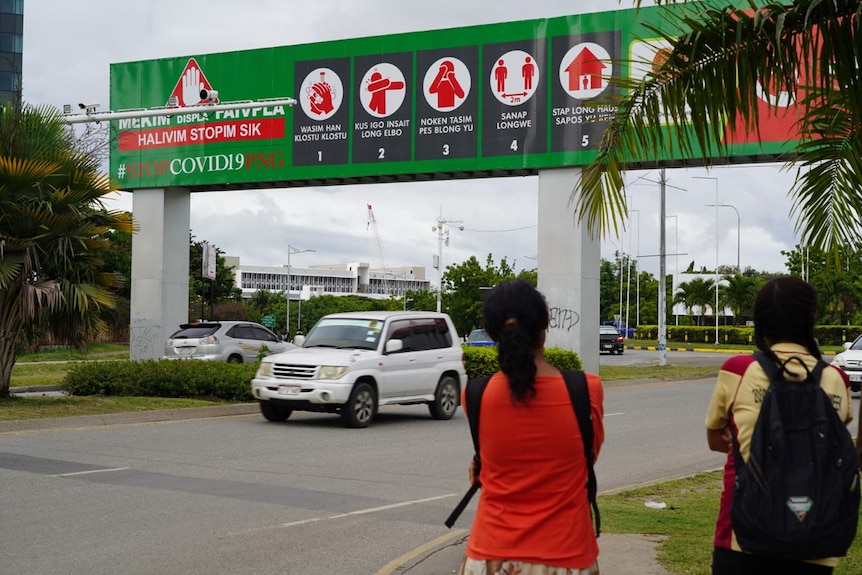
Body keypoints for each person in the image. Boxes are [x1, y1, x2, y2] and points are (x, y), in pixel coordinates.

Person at [705, 277, 853, 574]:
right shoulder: (836, 379)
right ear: (812, 318)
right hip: (816, 540)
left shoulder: (738, 371)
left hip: (742, 537)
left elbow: (716, 440)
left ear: (761, 321)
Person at [458, 279, 604, 575]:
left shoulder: (474, 394)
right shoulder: (586, 390)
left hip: (490, 558)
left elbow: (486, 466)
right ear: (546, 322)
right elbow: (587, 456)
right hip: (567, 555)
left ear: (490, 331)